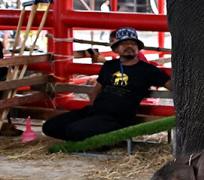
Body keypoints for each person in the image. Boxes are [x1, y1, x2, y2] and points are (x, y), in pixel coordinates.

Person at [44, 27, 172, 142]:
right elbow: (97, 90)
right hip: (95, 112)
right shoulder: (109, 66)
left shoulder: (148, 69)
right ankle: (96, 138)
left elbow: (170, 85)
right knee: (49, 127)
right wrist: (94, 108)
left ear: (138, 48)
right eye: (124, 43)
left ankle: (102, 139)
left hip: (117, 118)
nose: (129, 46)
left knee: (74, 130)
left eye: (133, 43)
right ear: (116, 48)